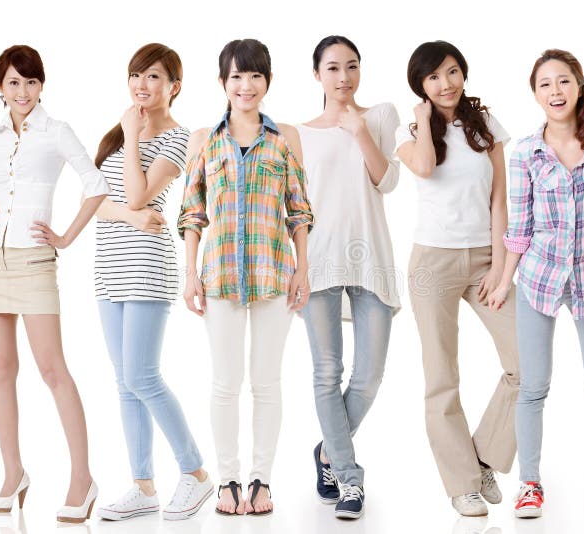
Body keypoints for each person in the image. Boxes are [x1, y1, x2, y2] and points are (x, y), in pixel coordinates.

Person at [0, 44, 108, 523]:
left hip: (36, 263)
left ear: (42, 86)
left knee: (53, 370)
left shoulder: (57, 133)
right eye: (14, 82)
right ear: (0, 87)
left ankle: (82, 477)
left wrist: (64, 238)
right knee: (0, 370)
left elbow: (94, 185)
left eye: (31, 81)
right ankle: (12, 472)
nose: (23, 91)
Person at [489, 48, 584, 518]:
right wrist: (502, 282)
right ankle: (529, 485)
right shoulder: (525, 153)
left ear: (579, 84)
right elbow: (520, 229)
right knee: (533, 387)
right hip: (539, 278)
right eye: (545, 85)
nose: (555, 91)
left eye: (563, 81)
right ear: (535, 94)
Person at [177, 38, 313, 516]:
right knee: (224, 383)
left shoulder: (284, 138)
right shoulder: (204, 139)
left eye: (255, 75)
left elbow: (299, 209)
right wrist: (190, 274)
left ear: (267, 82)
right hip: (219, 277)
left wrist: (304, 269)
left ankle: (261, 481)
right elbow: (192, 211)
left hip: (274, 273)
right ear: (222, 83)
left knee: (267, 382)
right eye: (236, 76)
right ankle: (228, 481)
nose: (246, 85)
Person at [91, 43, 213, 522]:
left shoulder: (177, 140)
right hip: (108, 271)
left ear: (174, 87)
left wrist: (131, 135)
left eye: (155, 77)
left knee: (143, 376)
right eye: (136, 75)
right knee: (125, 383)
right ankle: (143, 486)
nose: (142, 85)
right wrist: (128, 214)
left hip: (146, 272)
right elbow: (95, 202)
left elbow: (143, 191)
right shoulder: (117, 140)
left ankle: (197, 474)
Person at [397, 40, 519, 517]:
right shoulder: (408, 136)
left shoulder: (487, 126)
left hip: (485, 258)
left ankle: (482, 456)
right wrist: (425, 120)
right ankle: (461, 484)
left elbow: (499, 201)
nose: (445, 83)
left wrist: (500, 268)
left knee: (526, 364)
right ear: (421, 87)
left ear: (463, 73)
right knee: (441, 377)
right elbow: (425, 166)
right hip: (432, 264)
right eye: (433, 77)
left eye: (451, 72)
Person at [295, 35, 399, 520]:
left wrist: (359, 132)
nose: (343, 76)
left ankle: (327, 453)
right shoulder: (297, 133)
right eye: (333, 68)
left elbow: (387, 180)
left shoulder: (378, 117)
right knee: (325, 373)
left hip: (371, 259)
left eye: (352, 66)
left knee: (370, 377)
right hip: (317, 264)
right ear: (317, 74)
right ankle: (350, 479)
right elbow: (293, 208)